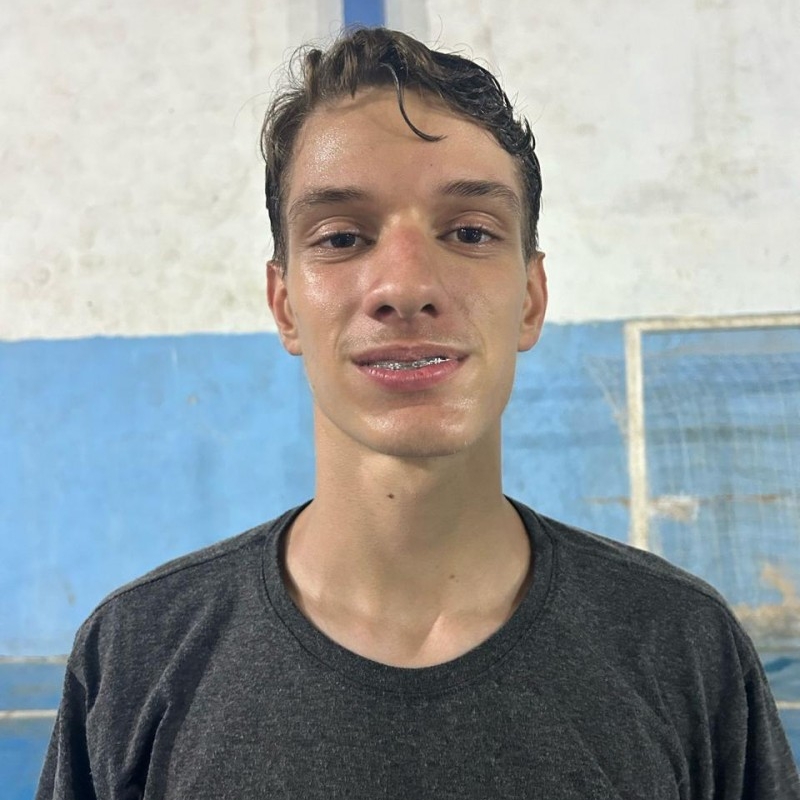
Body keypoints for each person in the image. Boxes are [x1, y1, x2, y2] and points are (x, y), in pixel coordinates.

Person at [37, 27, 799, 799]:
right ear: (285, 304)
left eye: (469, 232)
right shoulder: (136, 658)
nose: (405, 287)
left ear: (531, 299)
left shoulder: (684, 647)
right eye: (342, 236)